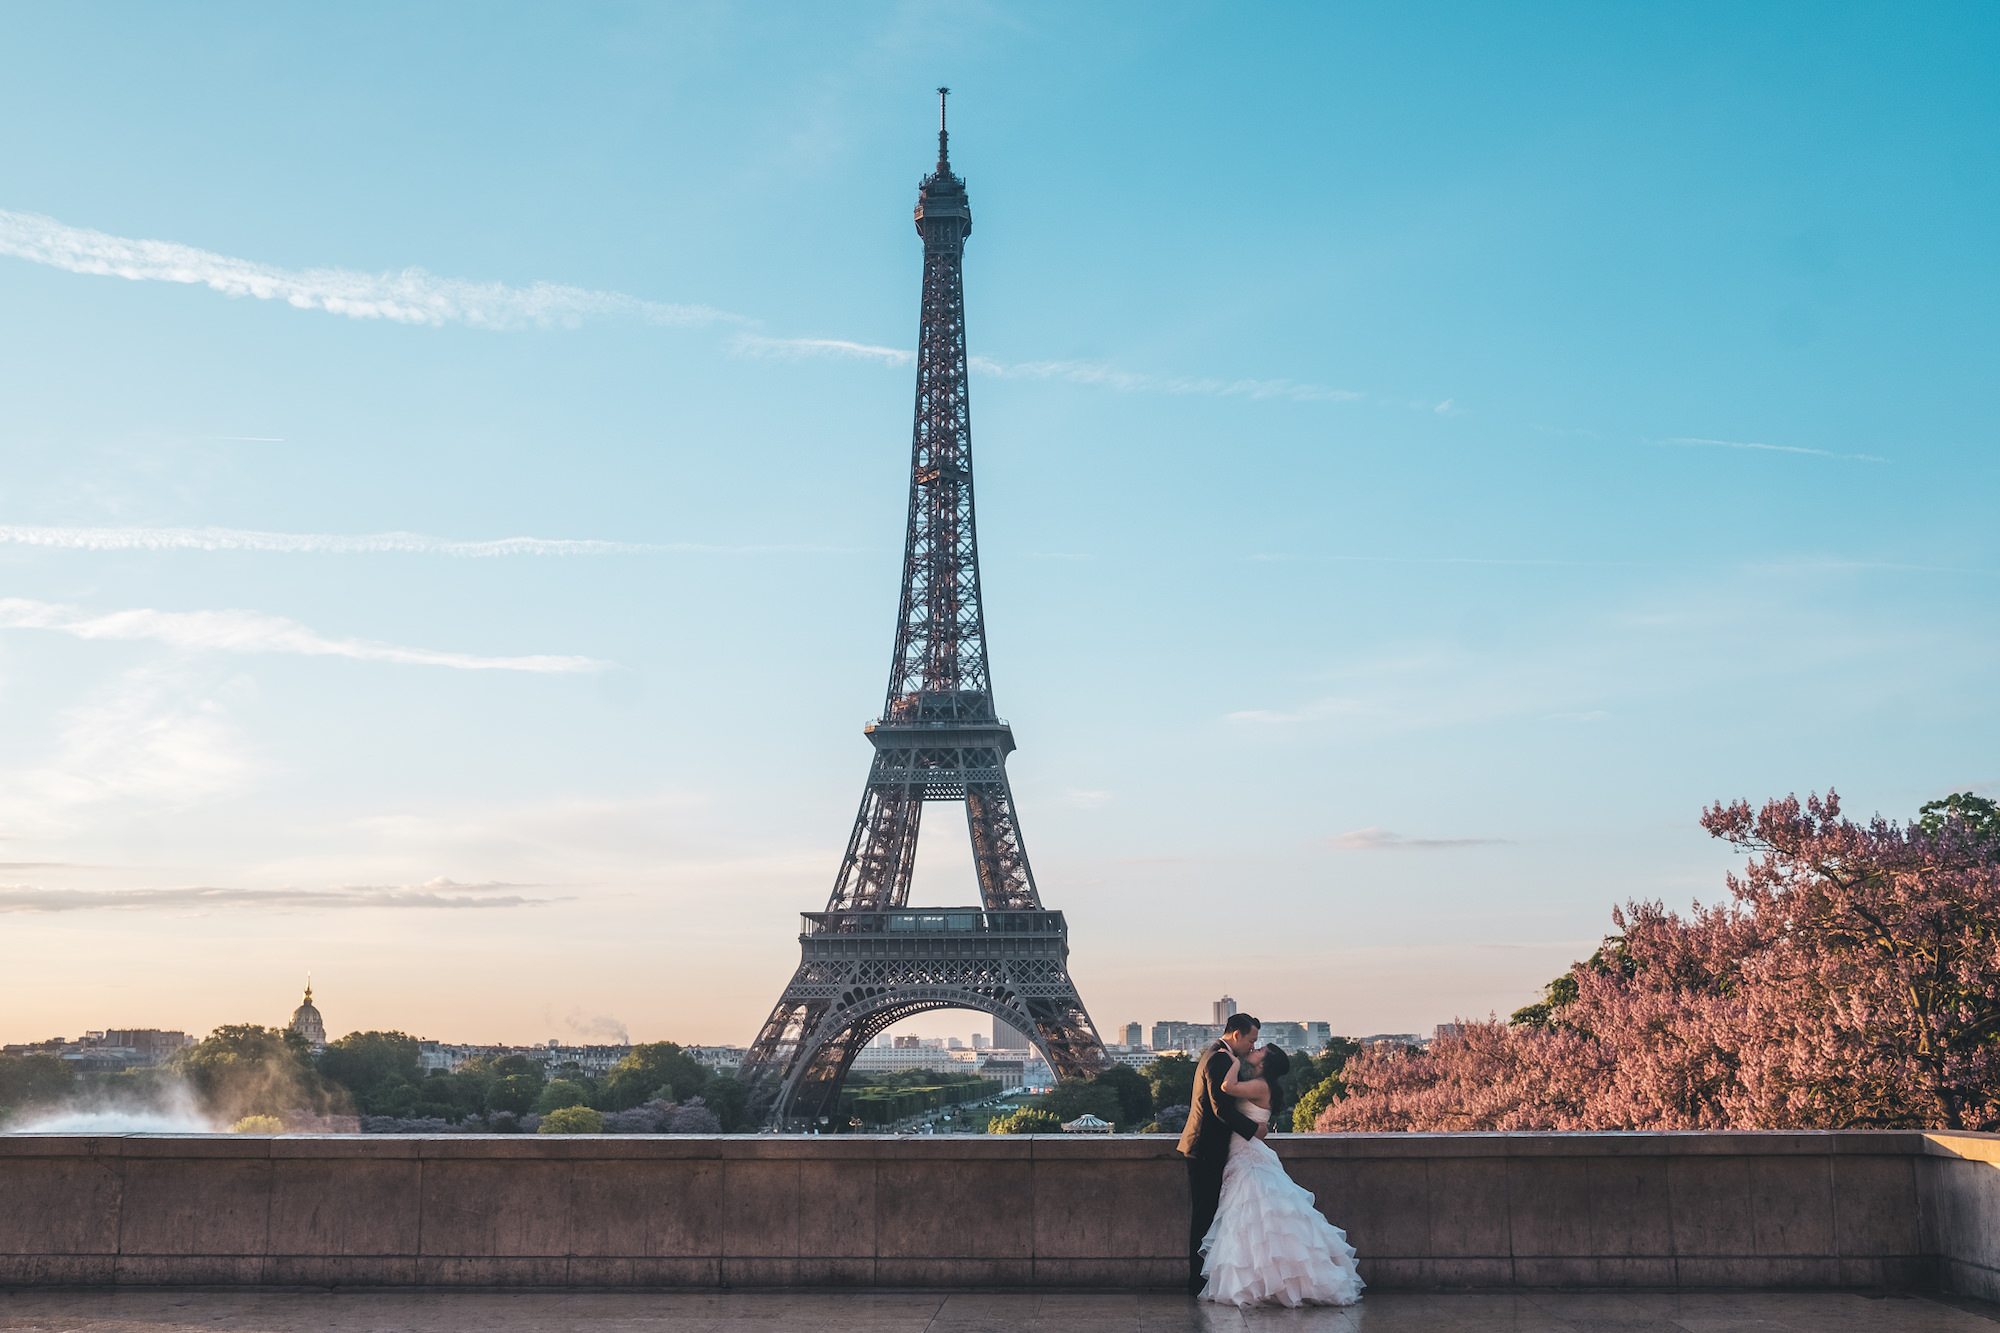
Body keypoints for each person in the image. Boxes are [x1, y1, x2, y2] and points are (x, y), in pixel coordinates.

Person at [1196, 1040, 1365, 1308]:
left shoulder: (1260, 1085)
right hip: (1248, 1151)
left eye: (1261, 1049)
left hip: (1246, 1154)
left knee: (1249, 1221)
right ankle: (1272, 1282)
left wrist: (1234, 1061)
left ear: (1266, 1062)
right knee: (1260, 1223)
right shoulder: (1264, 1085)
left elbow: (1226, 1088)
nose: (1255, 1048)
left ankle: (1260, 1283)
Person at [1177, 1013, 1265, 1294]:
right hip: (1205, 1149)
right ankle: (1197, 1281)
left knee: (1206, 1215)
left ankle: (1202, 1279)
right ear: (1236, 1035)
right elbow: (1221, 1109)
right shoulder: (1220, 1059)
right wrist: (1255, 1129)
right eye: (1251, 1040)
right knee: (1204, 1216)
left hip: (1203, 1146)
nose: (1253, 1046)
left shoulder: (1215, 1054)